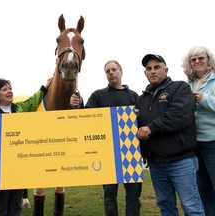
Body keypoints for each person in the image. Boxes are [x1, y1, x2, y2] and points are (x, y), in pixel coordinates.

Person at [70, 60, 142, 216]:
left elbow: (144, 125)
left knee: (134, 197)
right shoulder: (98, 95)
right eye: (107, 71)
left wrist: (139, 116)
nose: (111, 73)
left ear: (121, 72)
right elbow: (86, 117)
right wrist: (77, 104)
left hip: (131, 153)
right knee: (109, 197)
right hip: (107, 153)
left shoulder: (134, 96)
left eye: (114, 69)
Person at [137, 54, 205, 215]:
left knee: (191, 206)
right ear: (145, 73)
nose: (152, 71)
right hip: (155, 164)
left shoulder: (180, 88)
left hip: (181, 161)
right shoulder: (141, 99)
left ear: (166, 70)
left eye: (157, 67)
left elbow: (179, 115)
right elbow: (140, 128)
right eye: (148, 69)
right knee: (165, 206)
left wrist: (151, 128)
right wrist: (143, 150)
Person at [0, 77, 52, 216]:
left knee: (16, 206)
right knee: (0, 206)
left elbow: (34, 100)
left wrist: (45, 87)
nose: (9, 91)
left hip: (18, 168)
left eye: (10, 88)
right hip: (0, 169)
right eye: (4, 89)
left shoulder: (20, 108)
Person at [181, 46, 215, 215]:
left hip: (213, 142)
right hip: (195, 144)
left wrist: (204, 99)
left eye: (201, 58)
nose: (197, 62)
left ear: (208, 60)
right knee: (203, 188)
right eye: (193, 59)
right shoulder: (188, 85)